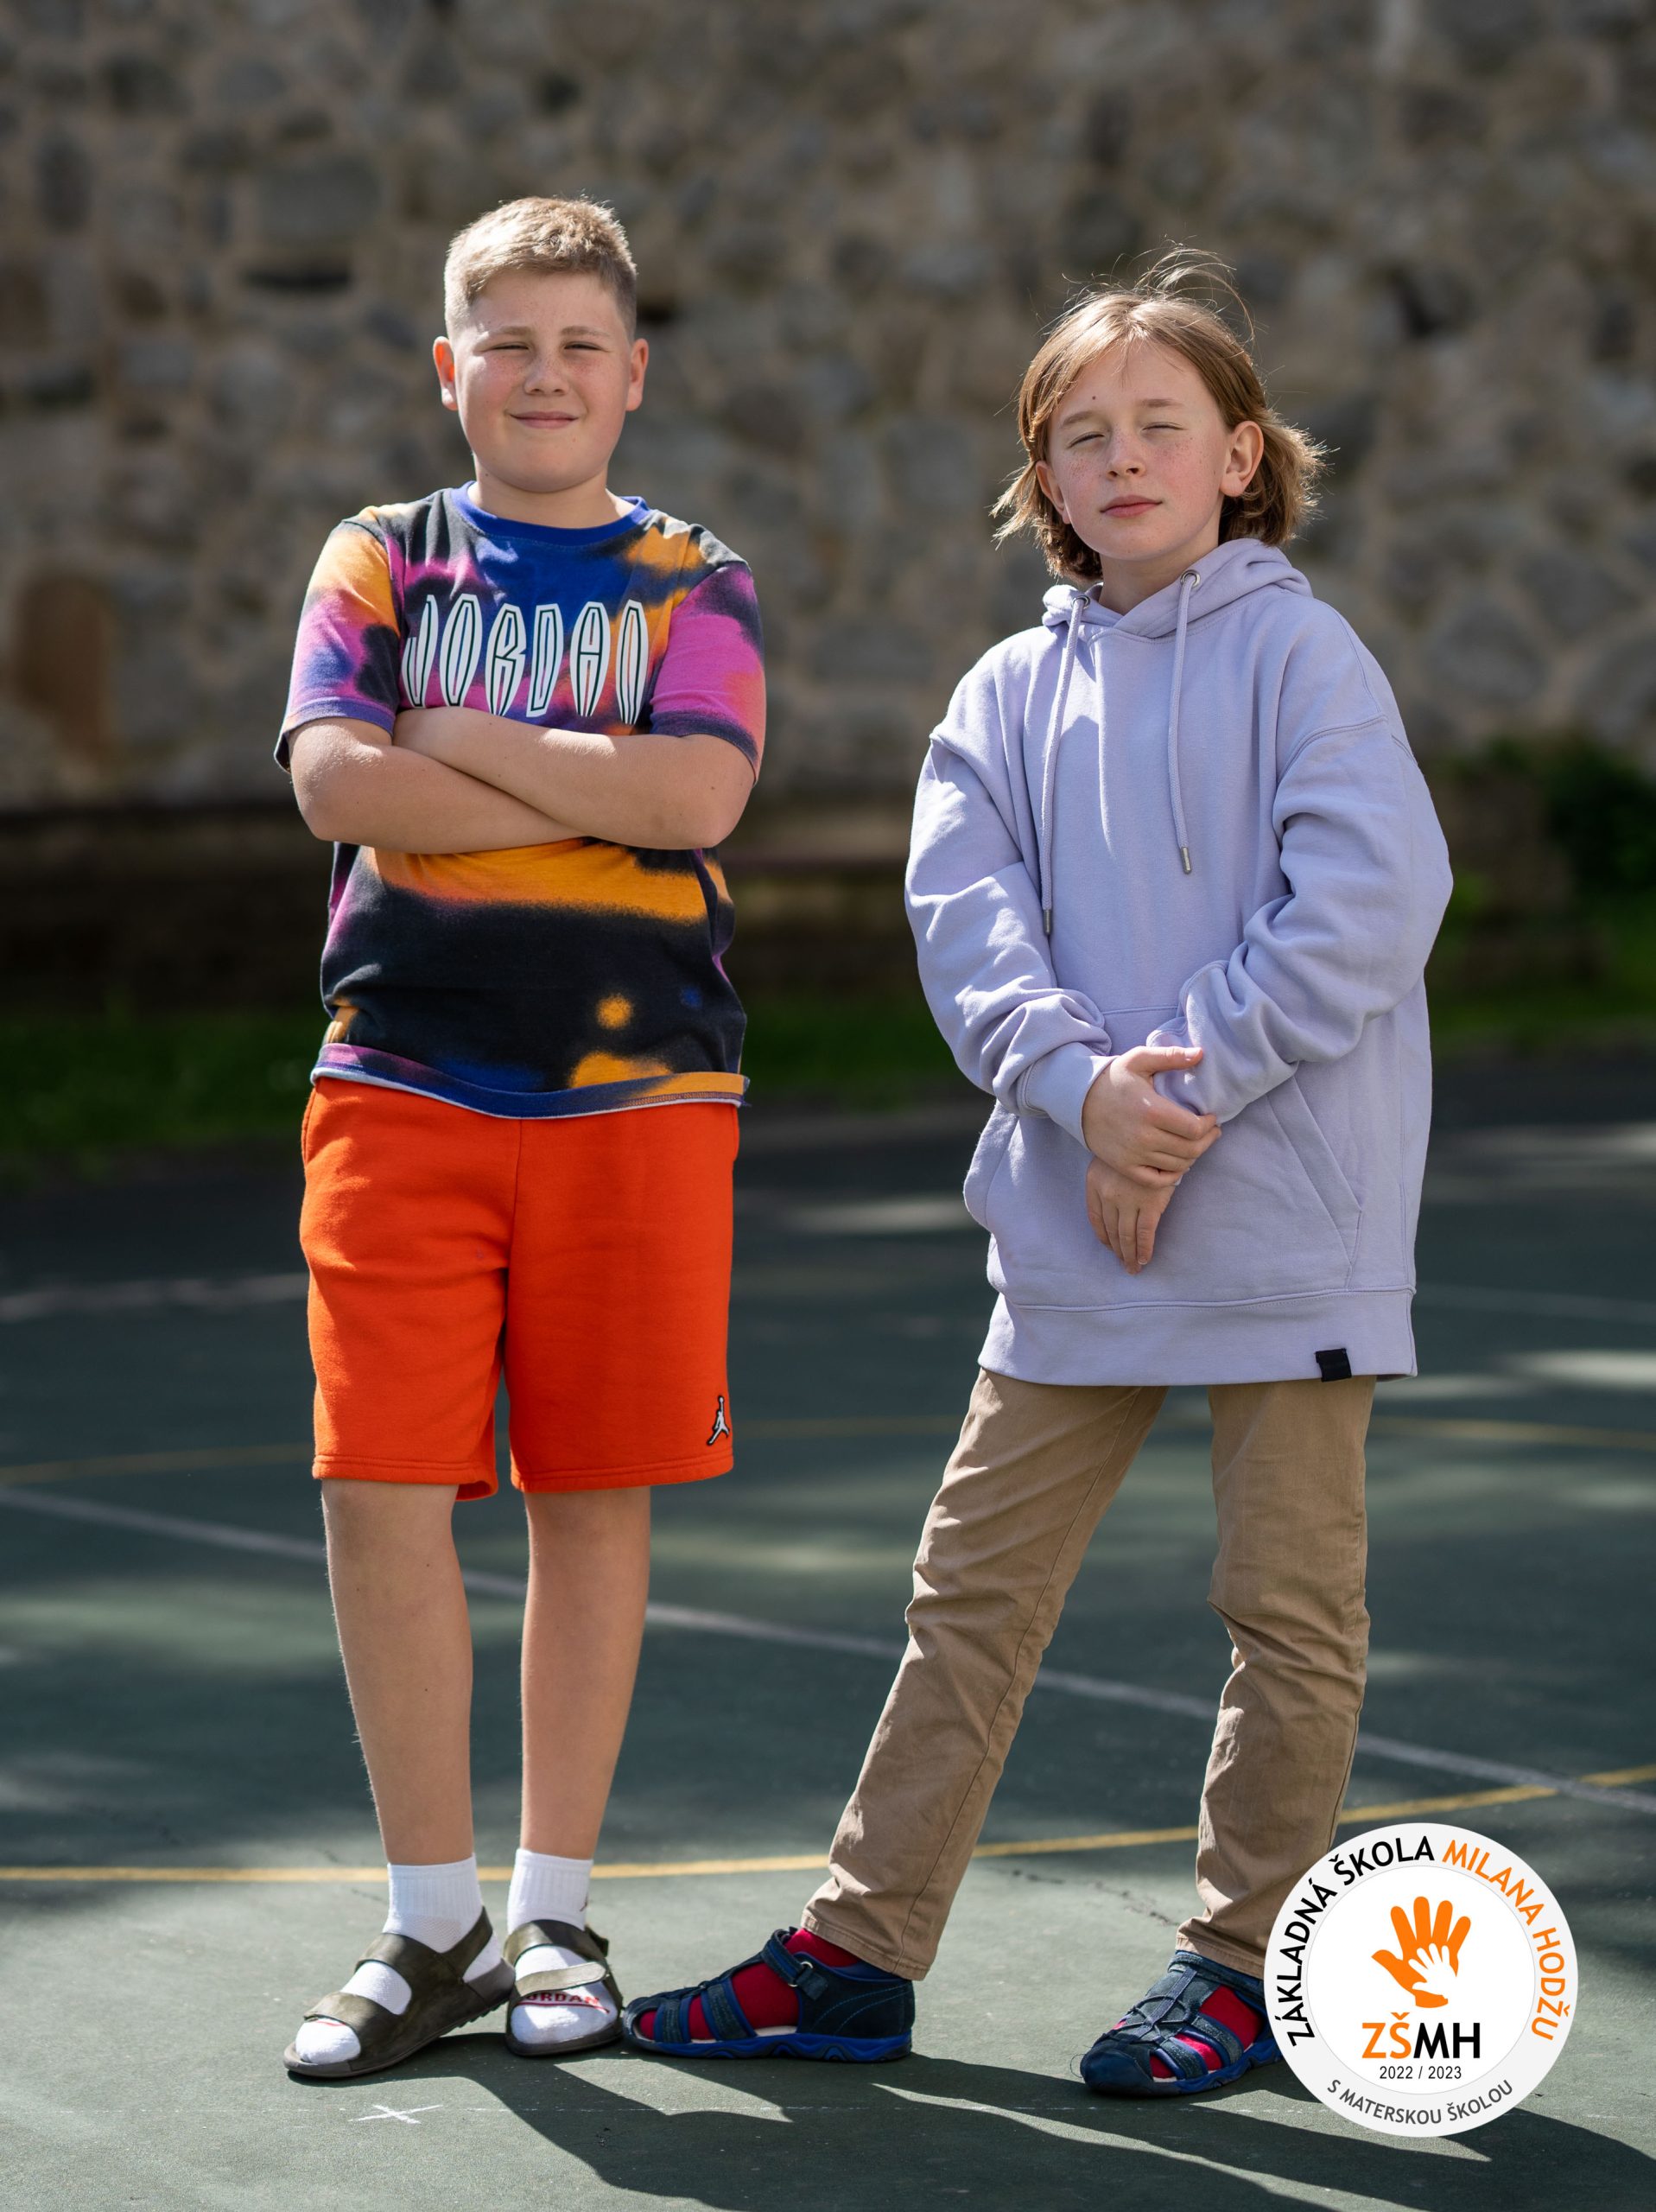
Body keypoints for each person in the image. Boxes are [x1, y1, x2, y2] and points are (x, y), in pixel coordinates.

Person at [623, 253, 1451, 2094]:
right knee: (969, 1590)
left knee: (1284, 1606)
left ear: (1239, 455)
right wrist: (1087, 1102)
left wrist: (1181, 1094)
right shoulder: (1004, 691)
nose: (1122, 455)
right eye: (1083, 434)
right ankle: (857, 1950)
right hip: (1079, 1211)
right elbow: (967, 930)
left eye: (1159, 423)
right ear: (1044, 478)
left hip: (1286, 1223)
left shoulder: (1303, 656)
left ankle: (1243, 1964)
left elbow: (1372, 900)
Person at [276, 195, 765, 2081]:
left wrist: (459, 735)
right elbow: (335, 777)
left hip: (640, 1097)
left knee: (593, 1491)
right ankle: (432, 1925)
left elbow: (696, 794)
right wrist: (586, 787)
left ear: (631, 374)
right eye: (508, 344)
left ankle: (555, 1907)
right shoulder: (379, 553)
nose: (544, 375)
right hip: (399, 1079)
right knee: (376, 1488)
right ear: (448, 368)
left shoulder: (696, 578)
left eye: (579, 345)